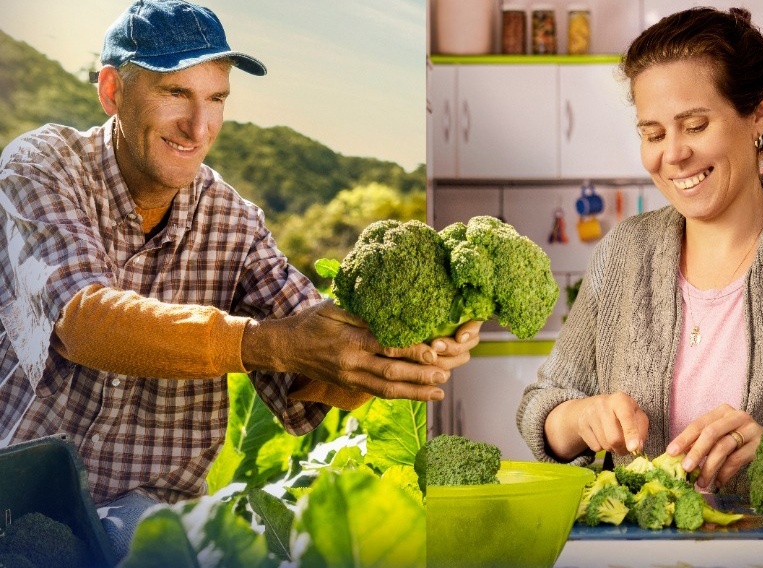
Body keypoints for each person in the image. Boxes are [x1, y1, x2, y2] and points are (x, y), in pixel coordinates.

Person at [0, 0, 481, 558]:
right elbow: (86, 322)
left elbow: (316, 373)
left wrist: (393, 351)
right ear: (112, 91)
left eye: (216, 99)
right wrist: (267, 342)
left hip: (148, 513)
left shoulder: (235, 221)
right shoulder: (42, 167)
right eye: (175, 93)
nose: (199, 127)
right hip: (16, 495)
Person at [517, 6, 763, 497]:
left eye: (694, 125)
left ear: (759, 112)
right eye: (652, 133)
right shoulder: (623, 253)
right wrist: (582, 416)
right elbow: (541, 406)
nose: (671, 154)